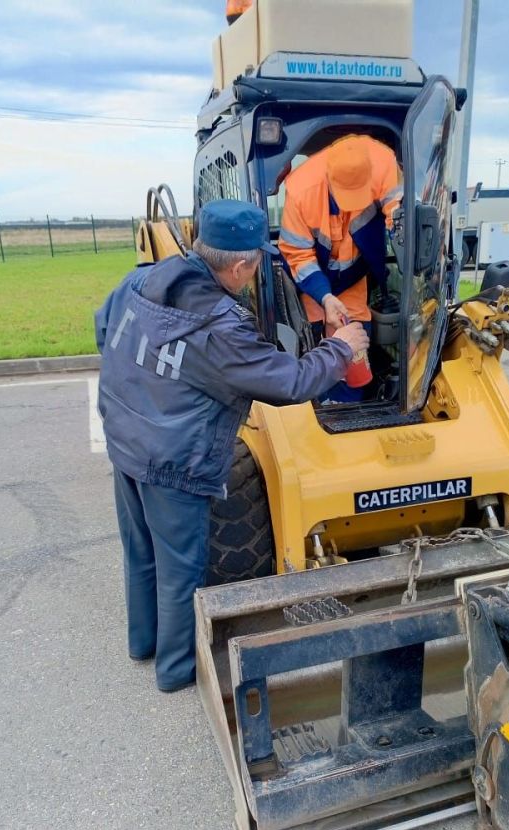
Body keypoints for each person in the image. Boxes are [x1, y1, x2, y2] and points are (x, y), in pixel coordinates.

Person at [95, 198, 368, 693]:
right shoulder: (221, 326)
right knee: (181, 569)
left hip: (126, 438)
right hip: (174, 460)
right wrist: (341, 348)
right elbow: (290, 382)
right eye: (259, 261)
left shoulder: (143, 280)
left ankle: (143, 643)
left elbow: (103, 328)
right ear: (241, 266)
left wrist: (149, 390)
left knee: (141, 551)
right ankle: (177, 672)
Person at [278, 134, 402, 400]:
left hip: (354, 276)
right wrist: (324, 297)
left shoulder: (384, 165)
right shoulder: (301, 190)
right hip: (316, 278)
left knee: (356, 338)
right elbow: (298, 256)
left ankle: (349, 403)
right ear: (329, 180)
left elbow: (401, 216)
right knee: (316, 341)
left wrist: (405, 241)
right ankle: (323, 403)